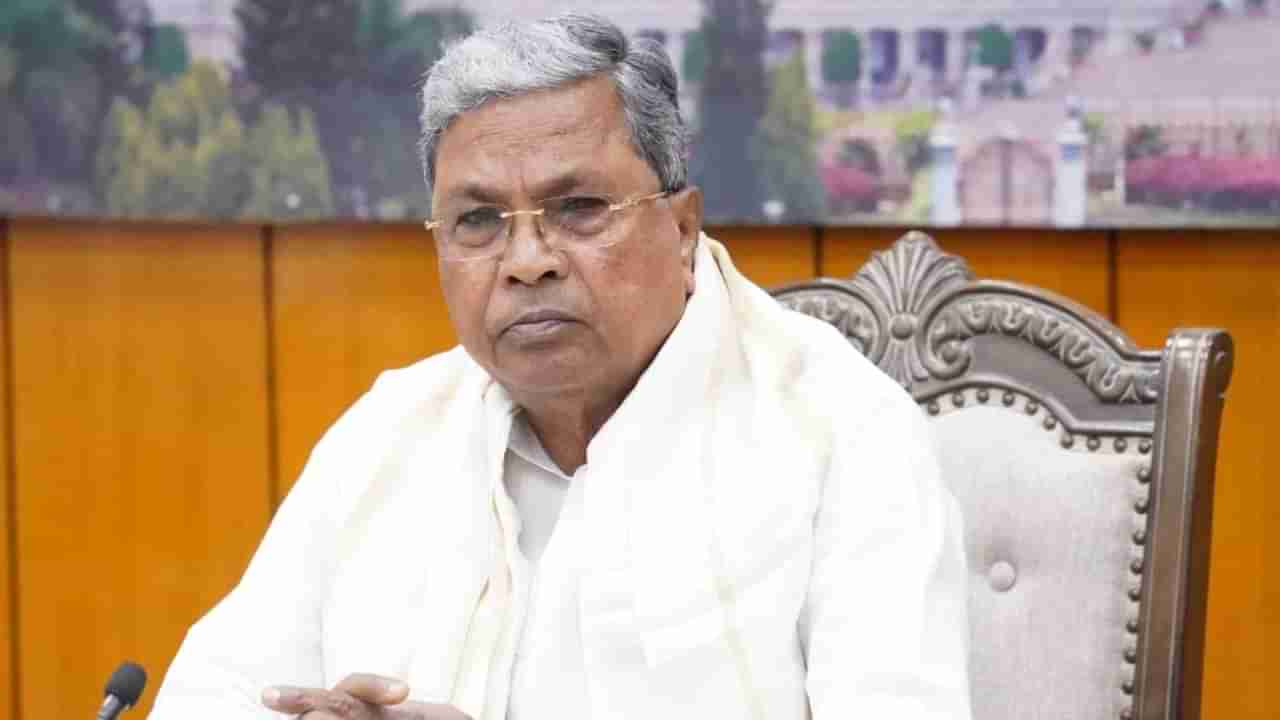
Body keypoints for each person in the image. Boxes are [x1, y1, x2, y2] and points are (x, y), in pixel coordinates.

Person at [150, 13, 970, 720]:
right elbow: (214, 695)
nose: (527, 261)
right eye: (478, 221)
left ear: (682, 229)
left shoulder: (843, 435)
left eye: (579, 209)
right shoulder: (389, 432)